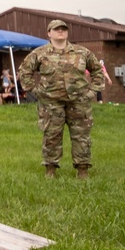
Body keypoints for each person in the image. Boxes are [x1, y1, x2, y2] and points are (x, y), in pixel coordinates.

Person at [18, 19, 102, 179]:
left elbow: (97, 70)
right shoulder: (39, 53)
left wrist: (92, 92)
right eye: (56, 29)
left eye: (63, 29)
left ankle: (82, 170)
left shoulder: (82, 52)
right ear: (49, 33)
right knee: (51, 136)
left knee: (81, 137)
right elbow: (24, 71)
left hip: (78, 102)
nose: (60, 32)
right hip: (51, 103)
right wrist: (35, 91)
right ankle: (50, 170)